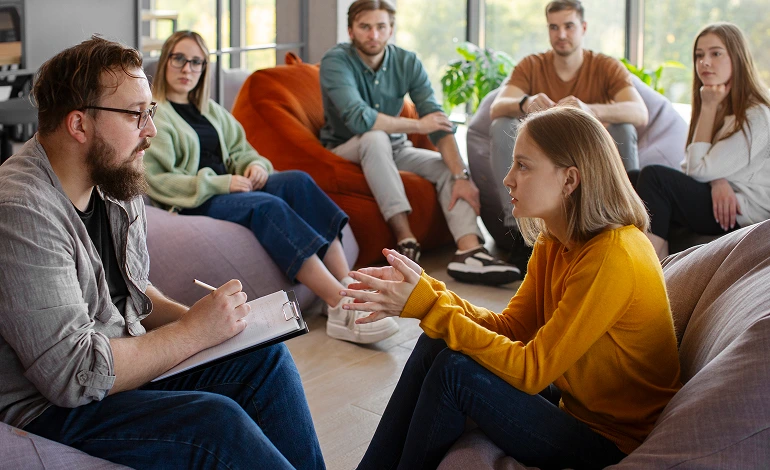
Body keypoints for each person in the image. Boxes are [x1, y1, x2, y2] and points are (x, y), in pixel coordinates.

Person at [0, 36, 324, 469]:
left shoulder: (115, 180)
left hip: (120, 359)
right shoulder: (22, 210)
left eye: (149, 112)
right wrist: (194, 333)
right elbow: (71, 375)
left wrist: (203, 318)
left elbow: (130, 291)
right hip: (50, 406)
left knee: (263, 355)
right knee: (215, 421)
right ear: (79, 125)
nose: (150, 130)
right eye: (137, 114)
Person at [345, 107, 682, 469]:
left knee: (454, 373)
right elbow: (512, 329)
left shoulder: (613, 255)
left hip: (613, 440)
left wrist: (429, 308)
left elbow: (531, 369)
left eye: (523, 166)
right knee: (437, 342)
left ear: (570, 181)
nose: (508, 179)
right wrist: (427, 291)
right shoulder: (554, 241)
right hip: (575, 404)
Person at [144, 31, 399, 344]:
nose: (187, 69)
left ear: (204, 69)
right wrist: (223, 182)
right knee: (267, 206)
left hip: (235, 187)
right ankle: (340, 304)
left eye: (196, 62)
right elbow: (158, 180)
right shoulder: (159, 114)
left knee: (298, 181)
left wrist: (256, 167)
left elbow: (243, 151)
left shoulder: (211, 112)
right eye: (179, 59)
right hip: (197, 199)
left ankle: (347, 285)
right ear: (165, 61)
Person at [319, 0, 521, 286]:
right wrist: (418, 125)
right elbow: (359, 119)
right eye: (365, 27)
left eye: (380, 27)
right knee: (375, 137)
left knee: (445, 167)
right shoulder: (335, 61)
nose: (373, 35)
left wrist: (460, 175)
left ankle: (469, 252)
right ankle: (406, 239)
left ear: (391, 30)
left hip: (395, 146)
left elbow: (437, 121)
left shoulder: (406, 61)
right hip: (344, 149)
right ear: (351, 30)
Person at [489, 0, 648, 233]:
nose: (561, 34)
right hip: (545, 166)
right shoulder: (532, 65)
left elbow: (640, 112)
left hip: (588, 162)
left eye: (568, 26)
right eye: (553, 27)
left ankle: (620, 223)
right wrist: (526, 103)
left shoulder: (605, 66)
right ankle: (518, 228)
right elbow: (496, 107)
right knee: (500, 124)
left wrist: (591, 110)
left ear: (583, 28)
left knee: (624, 128)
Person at [630, 22, 770, 259]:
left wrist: (709, 106)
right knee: (633, 178)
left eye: (715, 53)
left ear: (736, 59)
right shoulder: (721, 105)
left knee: (655, 178)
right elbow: (691, 168)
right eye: (699, 55)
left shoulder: (757, 115)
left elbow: (695, 170)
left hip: (741, 212)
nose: (705, 62)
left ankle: (652, 266)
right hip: (719, 198)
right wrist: (717, 180)